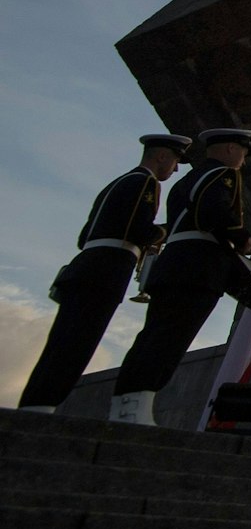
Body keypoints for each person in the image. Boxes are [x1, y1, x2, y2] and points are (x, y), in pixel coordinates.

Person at [19, 134, 189, 412]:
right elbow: (138, 229)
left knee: (63, 340)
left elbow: (85, 235)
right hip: (106, 271)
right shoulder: (145, 182)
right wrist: (171, 230)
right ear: (162, 157)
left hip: (89, 264)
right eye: (175, 161)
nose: (175, 169)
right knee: (78, 342)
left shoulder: (118, 183)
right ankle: (44, 404)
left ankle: (37, 401)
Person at [111, 128, 251, 425]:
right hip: (199, 267)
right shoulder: (224, 175)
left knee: (153, 335)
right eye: (243, 153)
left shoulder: (186, 180)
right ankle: (137, 404)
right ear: (232, 149)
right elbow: (214, 212)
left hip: (173, 264)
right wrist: (242, 238)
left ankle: (126, 404)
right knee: (171, 340)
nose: (244, 161)